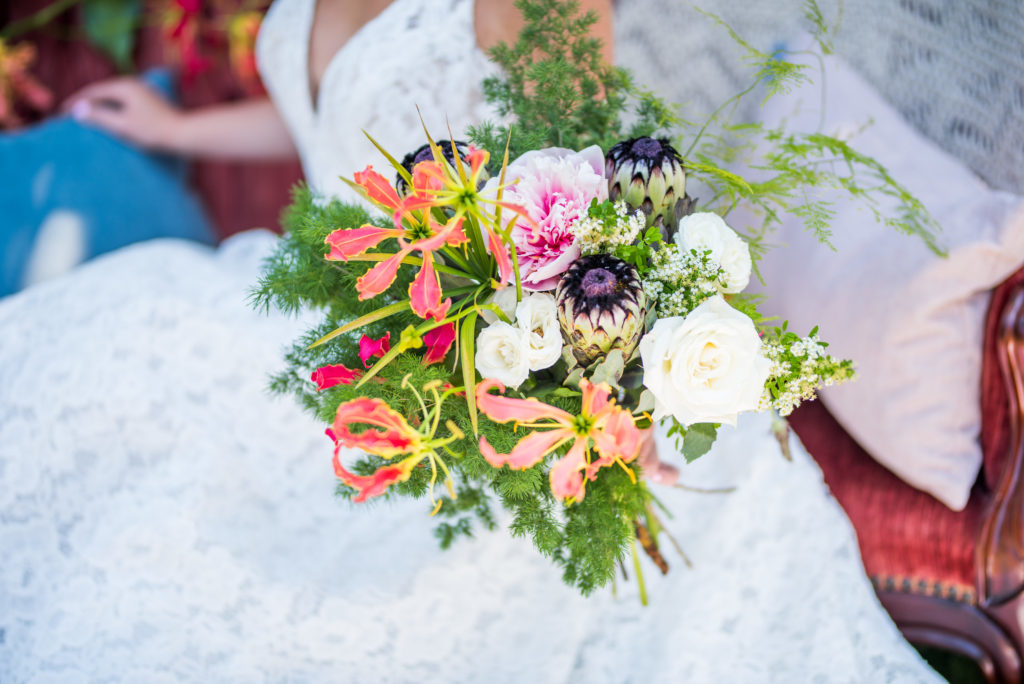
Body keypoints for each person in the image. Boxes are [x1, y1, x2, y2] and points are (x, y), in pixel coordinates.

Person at [0, 1, 939, 681]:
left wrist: (600, 382)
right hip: (320, 289)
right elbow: (328, 116)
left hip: (455, 334)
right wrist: (179, 127)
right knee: (86, 355)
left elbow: (580, 188)